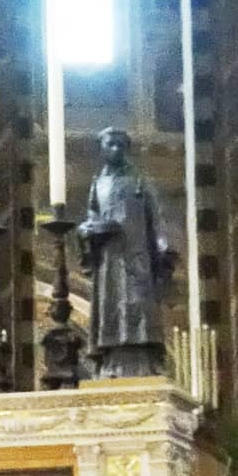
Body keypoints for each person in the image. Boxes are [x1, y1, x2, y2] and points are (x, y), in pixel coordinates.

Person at [77, 125, 169, 375]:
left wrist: (163, 249)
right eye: (111, 144)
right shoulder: (98, 184)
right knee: (110, 304)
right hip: (108, 258)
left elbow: (156, 218)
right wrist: (87, 231)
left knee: (138, 302)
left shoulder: (139, 180)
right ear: (102, 148)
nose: (116, 148)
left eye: (121, 144)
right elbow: (92, 216)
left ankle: (141, 360)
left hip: (135, 255)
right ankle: (112, 360)